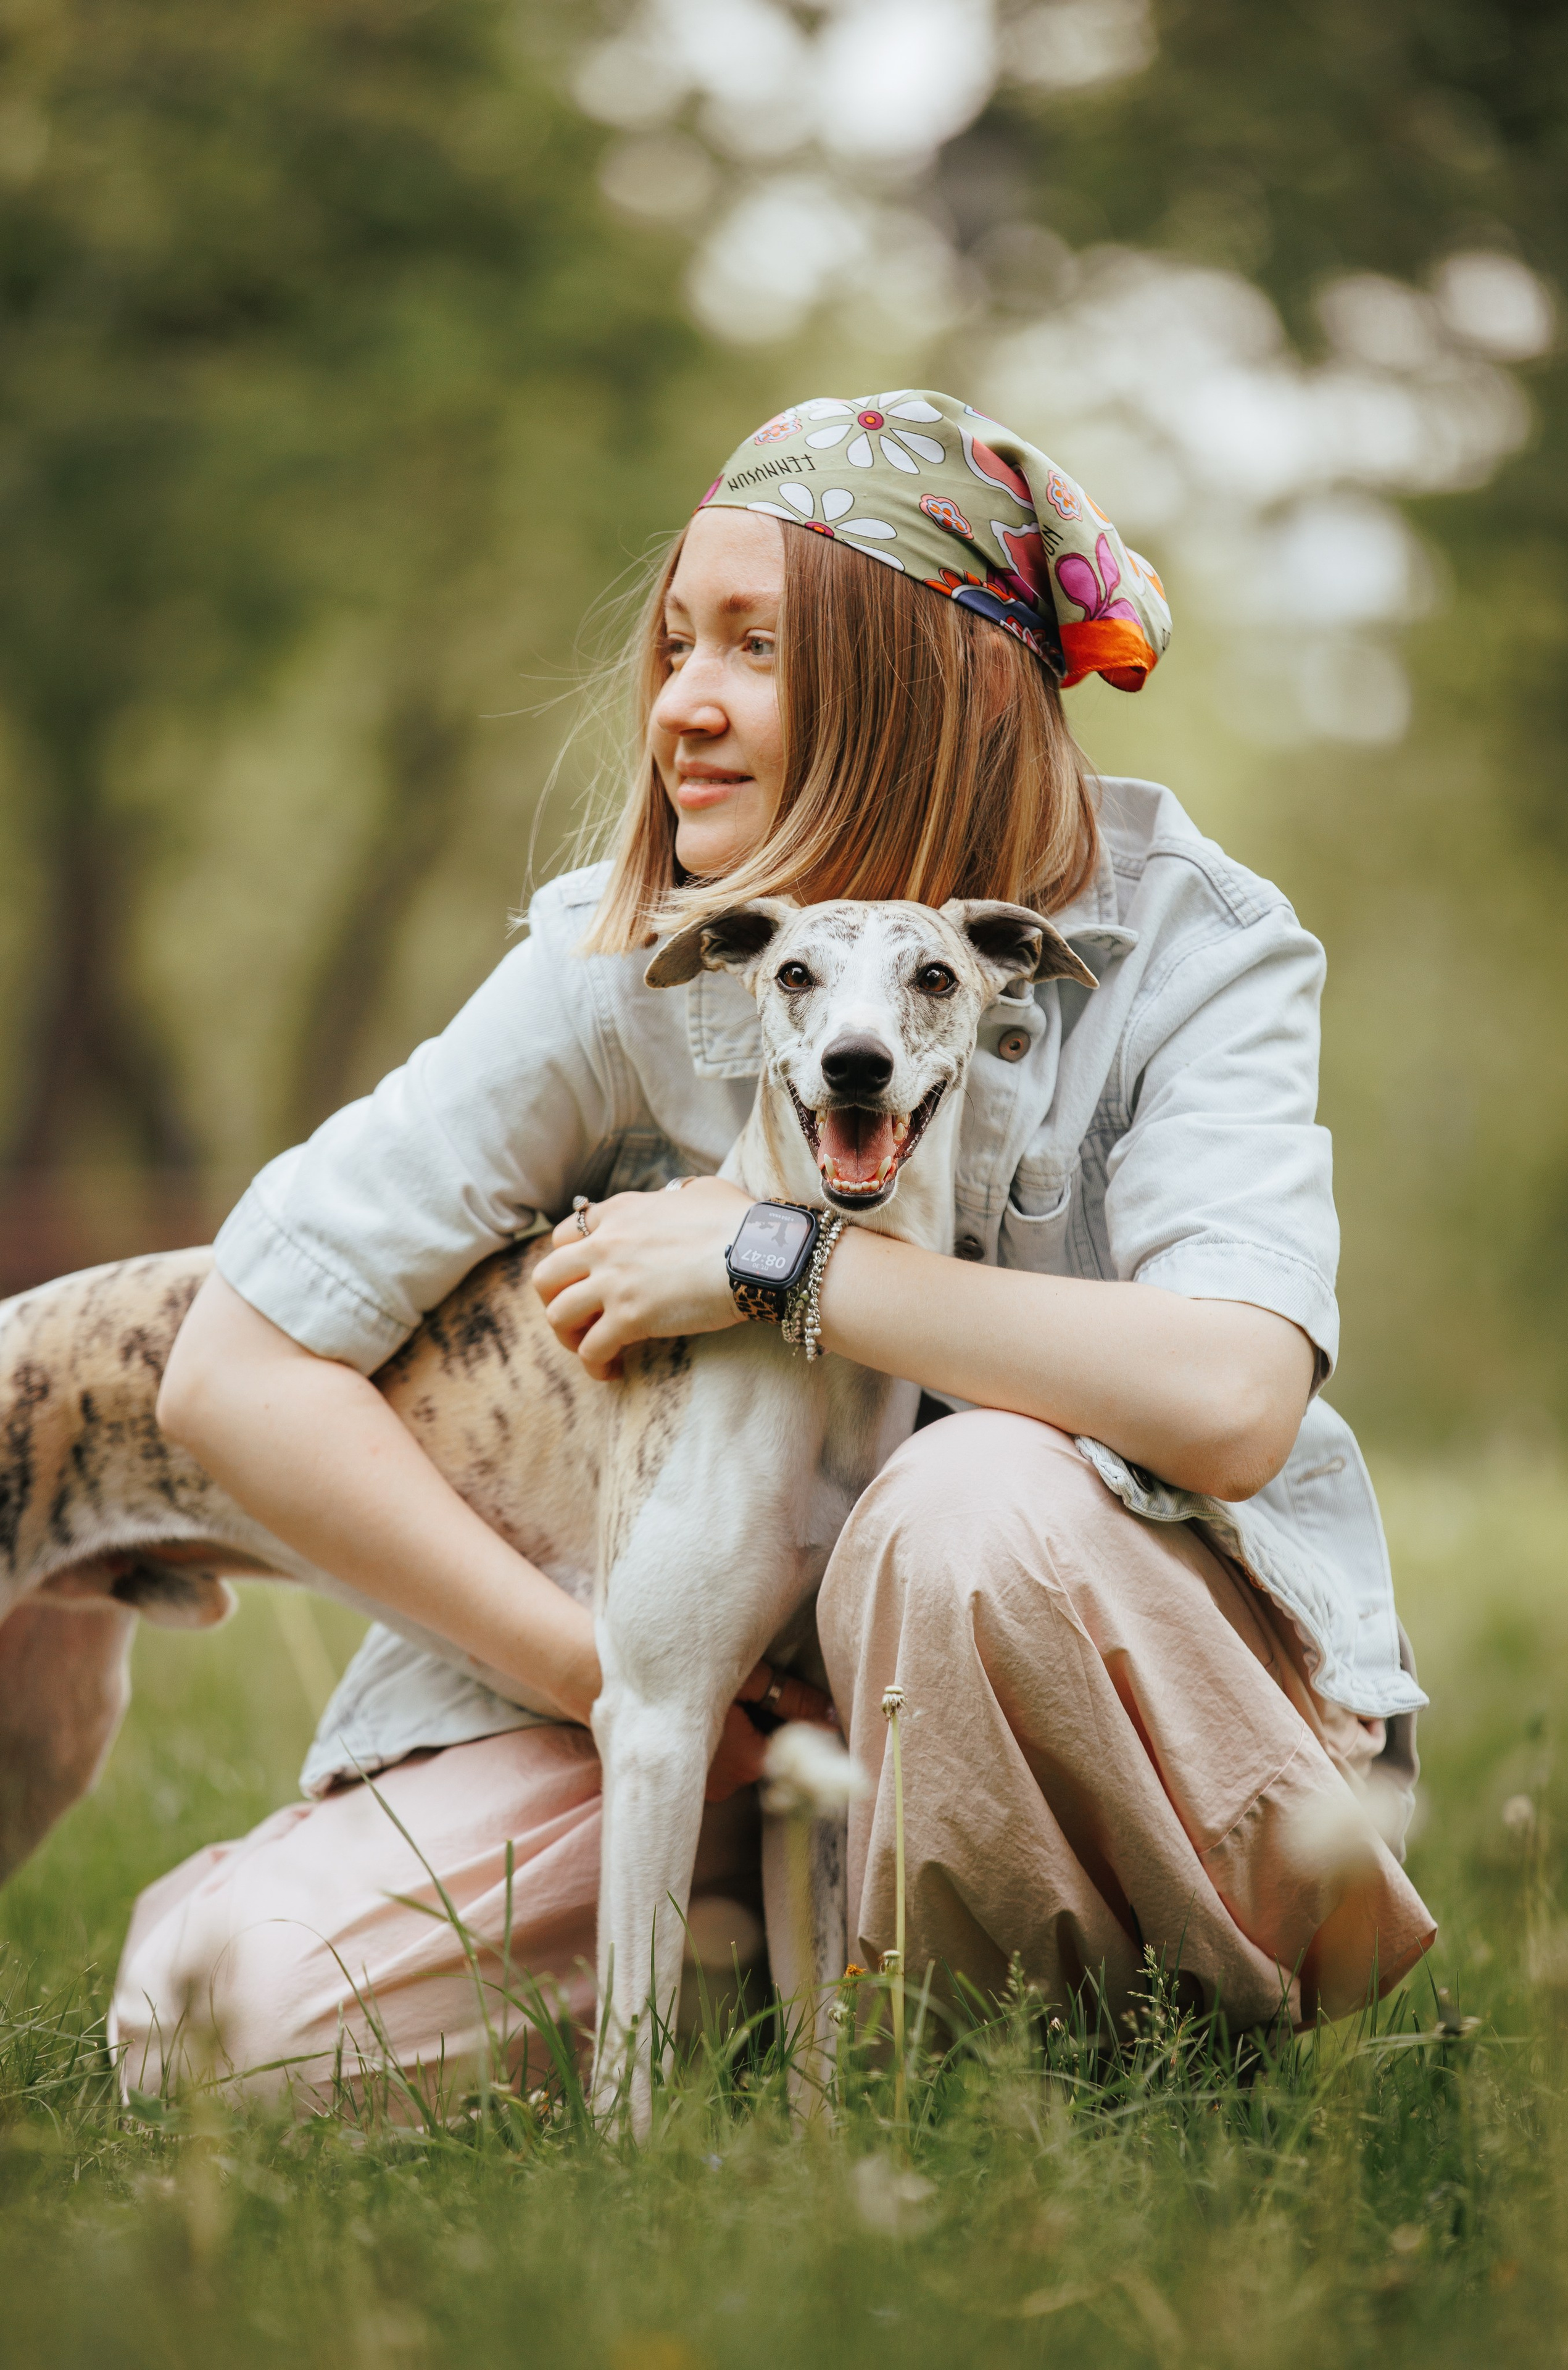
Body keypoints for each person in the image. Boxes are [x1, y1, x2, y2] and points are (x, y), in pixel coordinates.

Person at [113, 391, 1433, 2097]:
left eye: (753, 645)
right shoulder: (631, 954)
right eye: (674, 644)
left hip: (1147, 1730)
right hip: (712, 1738)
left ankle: (1005, 2081)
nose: (680, 705)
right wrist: (631, 1686)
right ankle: (747, 1994)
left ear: (925, 681)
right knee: (216, 2037)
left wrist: (783, 1265)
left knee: (959, 1519)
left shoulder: (1194, 948)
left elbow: (1235, 1395)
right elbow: (239, 1363)